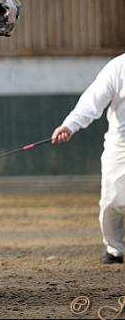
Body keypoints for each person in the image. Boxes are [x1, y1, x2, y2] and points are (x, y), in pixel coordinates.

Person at [52, 53, 125, 264]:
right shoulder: (118, 66)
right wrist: (70, 125)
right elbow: (93, 98)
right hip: (120, 145)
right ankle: (115, 249)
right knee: (112, 201)